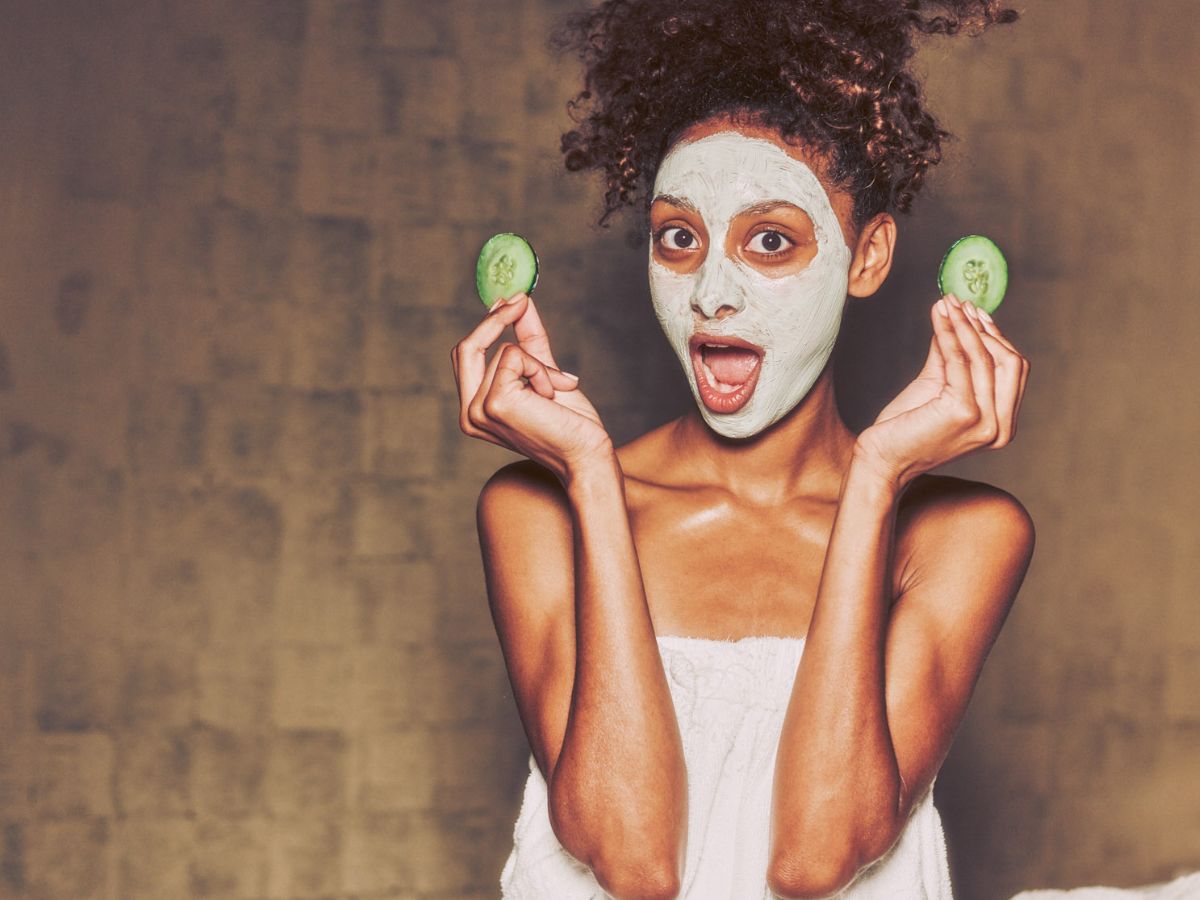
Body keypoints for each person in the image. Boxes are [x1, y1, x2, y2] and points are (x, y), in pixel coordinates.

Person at [450, 1, 1033, 897]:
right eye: (678, 238)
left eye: (770, 240)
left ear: (866, 257)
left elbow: (816, 859)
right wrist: (593, 479)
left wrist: (876, 477)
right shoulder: (535, 510)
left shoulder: (964, 535)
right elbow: (634, 861)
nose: (713, 292)